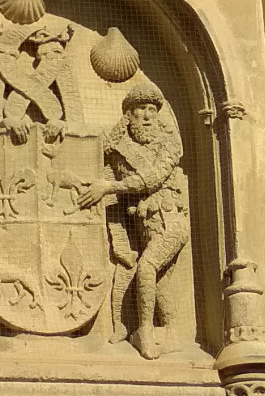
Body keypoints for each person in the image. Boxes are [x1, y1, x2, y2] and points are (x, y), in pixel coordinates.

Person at [78, 80, 189, 359]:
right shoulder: (119, 153)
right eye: (141, 109)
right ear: (129, 115)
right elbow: (96, 162)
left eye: (152, 109)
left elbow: (150, 179)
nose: (148, 115)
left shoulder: (170, 144)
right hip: (146, 228)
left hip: (171, 221)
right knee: (160, 285)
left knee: (147, 268)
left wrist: (109, 187)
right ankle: (171, 331)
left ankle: (144, 333)